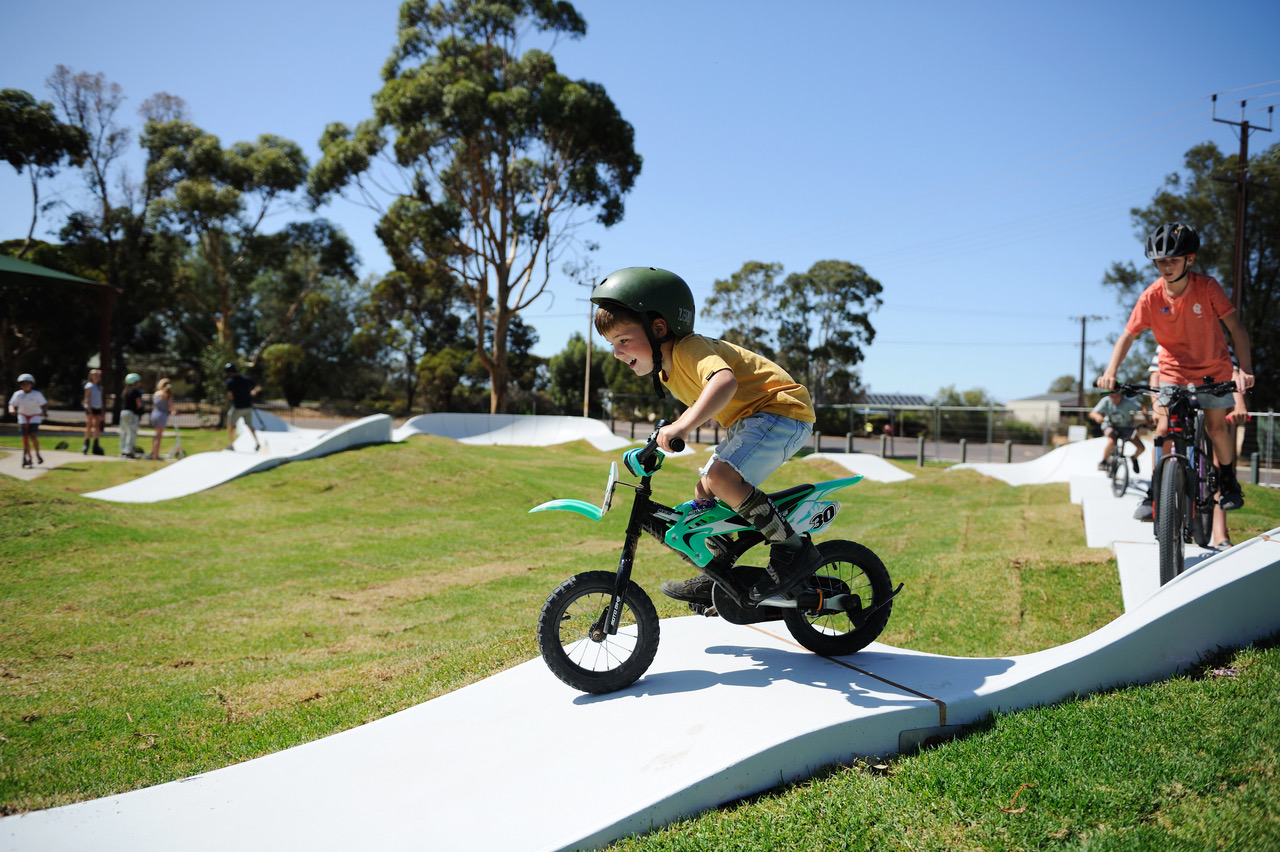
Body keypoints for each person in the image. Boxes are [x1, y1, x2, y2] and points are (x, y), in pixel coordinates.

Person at [590, 266, 820, 603]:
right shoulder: (668, 372)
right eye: (612, 344)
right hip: (751, 420)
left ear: (658, 328)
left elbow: (724, 382)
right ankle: (719, 572)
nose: (617, 352)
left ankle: (792, 549)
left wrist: (682, 426)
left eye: (623, 340)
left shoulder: (687, 348)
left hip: (781, 410)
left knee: (722, 476)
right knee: (704, 489)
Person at [1098, 222, 1254, 515]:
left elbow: (1236, 327)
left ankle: (1228, 481)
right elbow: (1128, 335)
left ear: (1189, 259)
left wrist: (1243, 369)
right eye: (1160, 261)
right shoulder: (1151, 296)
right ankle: (1156, 489)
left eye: (1173, 260)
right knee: (1164, 428)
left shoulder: (1206, 287)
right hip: (1172, 371)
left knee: (1216, 427)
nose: (1166, 266)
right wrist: (1111, 371)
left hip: (1213, 369)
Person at [1210, 360, 1251, 552]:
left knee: (1219, 464)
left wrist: (1239, 405)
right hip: (1184, 396)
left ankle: (1219, 534)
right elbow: (1158, 371)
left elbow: (1233, 372)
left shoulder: (1216, 338)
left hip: (1212, 399)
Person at [1089, 389, 1150, 472]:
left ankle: (1134, 458)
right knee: (1111, 442)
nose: (1114, 399)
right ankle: (1104, 461)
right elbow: (1093, 413)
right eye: (1112, 396)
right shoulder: (1106, 401)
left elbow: (1142, 408)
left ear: (1121, 395)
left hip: (1126, 427)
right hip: (1110, 425)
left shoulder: (1127, 402)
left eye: (1117, 396)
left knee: (1141, 448)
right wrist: (1097, 416)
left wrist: (1147, 419)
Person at [9, 373, 48, 467]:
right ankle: (28, 457)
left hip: (34, 417)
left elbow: (44, 404)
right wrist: (12, 410)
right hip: (23, 417)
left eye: (27, 383)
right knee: (25, 438)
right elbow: (12, 404)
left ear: (31, 384)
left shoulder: (37, 394)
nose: (25, 386)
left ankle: (38, 454)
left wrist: (43, 412)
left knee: (33, 436)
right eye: (23, 384)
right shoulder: (17, 394)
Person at [224, 363, 260, 451]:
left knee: (230, 425)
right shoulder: (246, 379)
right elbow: (258, 387)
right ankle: (257, 442)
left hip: (237, 407)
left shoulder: (230, 381)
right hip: (248, 407)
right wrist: (254, 392)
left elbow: (230, 395)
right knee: (249, 425)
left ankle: (231, 445)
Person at [119, 373, 145, 458]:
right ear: (134, 382)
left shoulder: (125, 391)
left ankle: (123, 450)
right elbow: (139, 404)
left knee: (124, 432)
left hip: (123, 413)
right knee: (132, 433)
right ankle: (129, 451)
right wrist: (141, 410)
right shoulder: (135, 391)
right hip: (132, 414)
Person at [148, 377, 173, 461]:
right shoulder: (167, 394)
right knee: (159, 436)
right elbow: (170, 406)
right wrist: (176, 411)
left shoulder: (156, 393)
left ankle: (152, 452)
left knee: (156, 435)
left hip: (154, 414)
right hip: (162, 415)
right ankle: (155, 456)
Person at [82, 368, 105, 455]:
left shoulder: (99, 387)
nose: (96, 376)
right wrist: (89, 410)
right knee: (89, 425)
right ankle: (86, 444)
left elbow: (100, 400)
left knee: (97, 426)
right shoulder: (89, 386)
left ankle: (96, 444)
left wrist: (102, 411)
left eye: (97, 375)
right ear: (90, 376)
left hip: (97, 407)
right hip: (90, 408)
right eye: (94, 375)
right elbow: (86, 399)